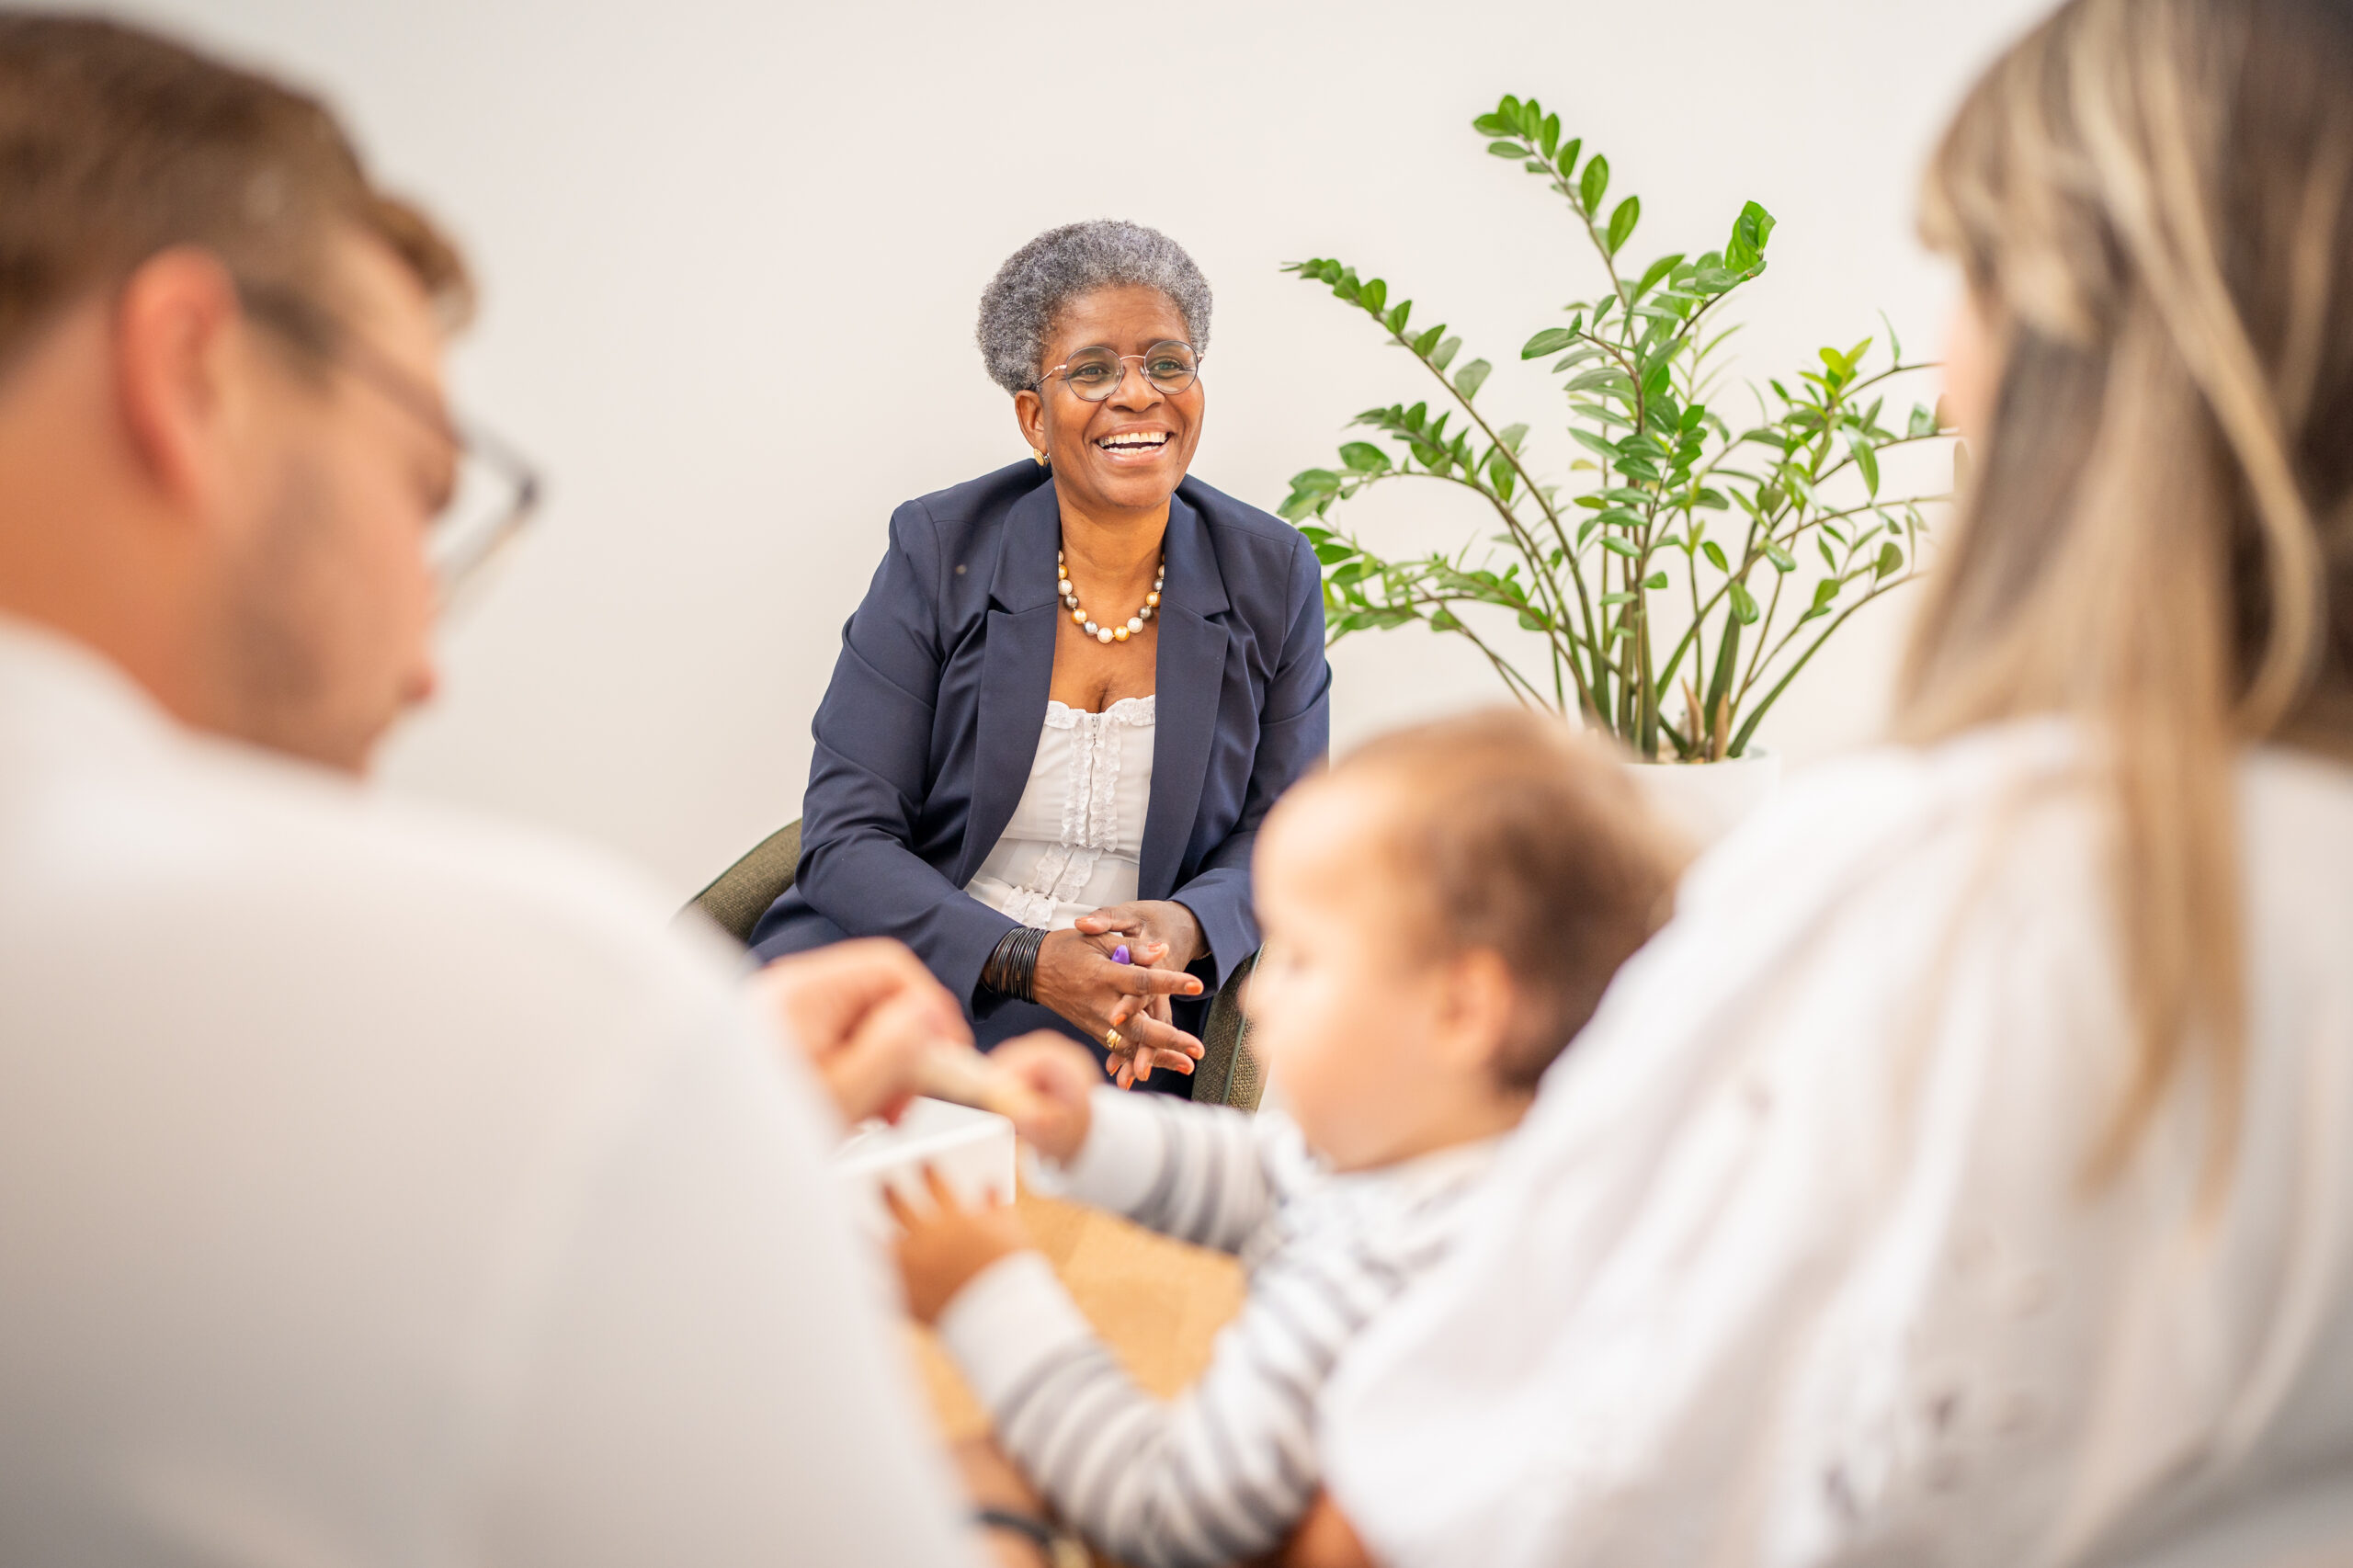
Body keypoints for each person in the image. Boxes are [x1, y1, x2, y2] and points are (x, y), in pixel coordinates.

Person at [1296, 0, 2353, 1563]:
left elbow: (1478, 1511)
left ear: (2084, 358)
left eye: (1972, 282)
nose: (1941, 384)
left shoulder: (1952, 891)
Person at [0, 17, 999, 1566]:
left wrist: (684, 1143)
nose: (426, 664)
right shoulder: (557, 1027)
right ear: (191, 371)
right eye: (425, 494)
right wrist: (645, 1130)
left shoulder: (1255, 578)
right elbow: (844, 827)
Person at [887, 710, 1681, 1567]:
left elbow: (1168, 1512)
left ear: (1462, 1011)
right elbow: (1271, 1176)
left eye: (1300, 959)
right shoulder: (1475, 1174)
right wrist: (1087, 1134)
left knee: (967, 1476)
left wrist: (989, 1296)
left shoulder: (1379, 1281)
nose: (1258, 1000)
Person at [747, 220, 1333, 1088]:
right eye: (1093, 370)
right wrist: (1023, 958)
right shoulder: (938, 547)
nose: (1139, 395)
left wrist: (1182, 925)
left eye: (1167, 363)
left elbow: (1290, 833)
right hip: (913, 961)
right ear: (1034, 415)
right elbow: (846, 837)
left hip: (1126, 1005)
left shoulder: (1271, 573)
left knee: (1072, 1177)